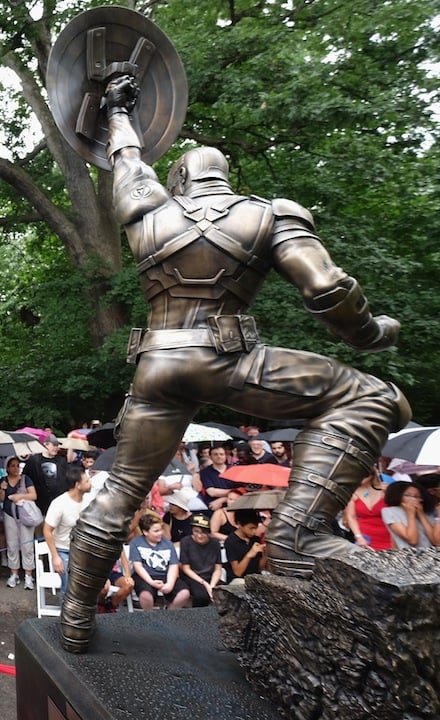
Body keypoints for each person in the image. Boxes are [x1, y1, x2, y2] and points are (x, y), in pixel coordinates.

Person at [61, 75, 409, 653]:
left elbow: (126, 158)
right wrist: (372, 332)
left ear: (181, 178)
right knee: (370, 395)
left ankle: (76, 616)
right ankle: (299, 535)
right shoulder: (268, 214)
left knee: (120, 491)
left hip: (156, 364)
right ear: (224, 176)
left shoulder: (149, 210)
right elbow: (325, 290)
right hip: (228, 358)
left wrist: (118, 110)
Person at [127, 514, 190, 611]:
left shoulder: (168, 544)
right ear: (145, 532)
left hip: (166, 575)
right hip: (145, 576)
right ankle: (150, 616)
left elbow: (173, 565)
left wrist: (170, 584)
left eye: (161, 530)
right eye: (156, 531)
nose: (160, 533)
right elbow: (138, 566)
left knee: (184, 593)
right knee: (145, 595)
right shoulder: (136, 543)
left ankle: (169, 613)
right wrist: (151, 582)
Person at [0, 457, 36, 590]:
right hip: (9, 515)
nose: (16, 468)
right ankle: (14, 573)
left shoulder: (25, 479)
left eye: (17, 465)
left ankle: (28, 574)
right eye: (13, 466)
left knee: (27, 544)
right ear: (7, 468)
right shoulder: (3, 480)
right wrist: (2, 489)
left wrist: (20, 496)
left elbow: (33, 495)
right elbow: (1, 499)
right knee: (12, 544)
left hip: (25, 515)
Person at [178, 515, 223, 607]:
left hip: (210, 576)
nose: (199, 535)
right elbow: (186, 568)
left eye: (203, 532)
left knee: (224, 593)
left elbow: (218, 568)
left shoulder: (215, 543)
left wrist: (212, 585)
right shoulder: (186, 542)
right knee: (201, 596)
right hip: (192, 577)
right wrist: (205, 583)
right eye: (196, 531)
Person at [342, 467, 392, 550]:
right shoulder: (352, 493)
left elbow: (398, 512)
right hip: (366, 538)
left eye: (363, 475)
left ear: (371, 475)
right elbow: (351, 517)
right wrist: (358, 537)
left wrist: (390, 494)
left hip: (389, 536)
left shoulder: (385, 489)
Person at [380, 481, 437, 549]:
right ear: (397, 495)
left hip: (431, 554)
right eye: (408, 495)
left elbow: (435, 541)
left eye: (417, 496)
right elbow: (412, 540)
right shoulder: (390, 511)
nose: (413, 499)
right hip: (411, 556)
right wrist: (410, 514)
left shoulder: (426, 512)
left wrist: (421, 515)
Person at [24, 436, 69, 516]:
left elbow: (67, 480)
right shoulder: (34, 460)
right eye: (54, 445)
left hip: (58, 504)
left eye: (57, 445)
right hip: (40, 504)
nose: (56, 448)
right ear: (45, 444)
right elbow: (25, 478)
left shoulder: (62, 461)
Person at [224, 509, 267, 581]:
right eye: (251, 528)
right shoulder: (231, 541)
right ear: (239, 524)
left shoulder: (255, 539)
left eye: (255, 528)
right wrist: (249, 555)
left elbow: (259, 567)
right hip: (238, 580)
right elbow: (237, 573)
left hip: (255, 578)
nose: (254, 531)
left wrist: (266, 555)